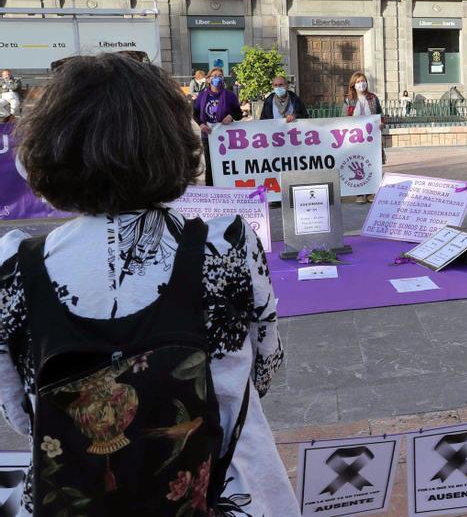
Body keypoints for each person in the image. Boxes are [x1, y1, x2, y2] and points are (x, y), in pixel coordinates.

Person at [0, 53, 296, 515]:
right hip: (224, 492)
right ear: (172, 141)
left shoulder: (15, 267)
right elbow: (261, 373)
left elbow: (20, 414)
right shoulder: (227, 246)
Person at [193, 66, 243, 186]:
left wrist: (231, 116)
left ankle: (227, 187)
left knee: (226, 163)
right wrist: (201, 125)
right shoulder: (202, 96)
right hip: (208, 135)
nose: (217, 79)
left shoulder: (230, 96)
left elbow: (239, 114)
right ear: (208, 79)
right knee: (211, 164)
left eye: (220, 76)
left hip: (226, 136)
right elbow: (195, 113)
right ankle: (211, 190)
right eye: (214, 76)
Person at [343, 72, 384, 203]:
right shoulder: (349, 100)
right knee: (358, 164)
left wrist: (382, 123)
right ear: (353, 84)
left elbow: (380, 114)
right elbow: (343, 118)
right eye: (358, 81)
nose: (361, 83)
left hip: (371, 138)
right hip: (355, 139)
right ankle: (360, 194)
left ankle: (371, 192)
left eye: (363, 81)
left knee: (372, 164)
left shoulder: (373, 98)